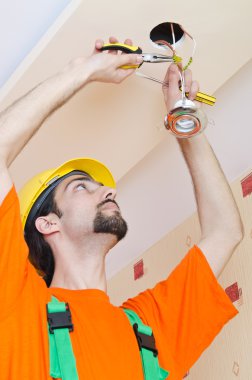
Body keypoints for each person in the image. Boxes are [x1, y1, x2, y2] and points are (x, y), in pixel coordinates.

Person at [0, 36, 243, 380]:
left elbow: (225, 233)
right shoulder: (17, 306)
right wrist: (84, 70)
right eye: (82, 186)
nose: (109, 190)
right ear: (48, 224)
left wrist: (183, 118)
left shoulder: (147, 330)